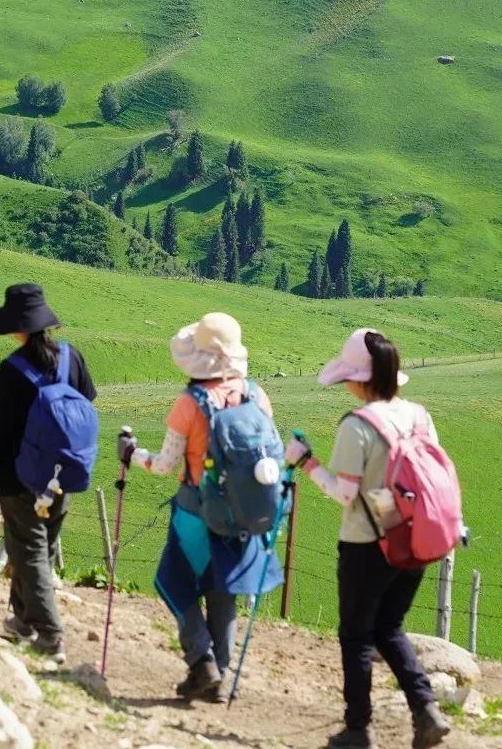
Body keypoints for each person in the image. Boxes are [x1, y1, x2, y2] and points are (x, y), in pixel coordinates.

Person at [286, 328, 451, 749]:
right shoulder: (420, 415)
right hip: (415, 538)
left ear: (360, 380)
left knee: (356, 635)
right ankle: (425, 707)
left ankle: (358, 729)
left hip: (367, 542)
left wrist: (305, 462)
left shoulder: (357, 425)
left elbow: (344, 492)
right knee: (389, 628)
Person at [119, 312, 283, 703]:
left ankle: (201, 660)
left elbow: (164, 465)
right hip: (244, 511)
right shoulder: (257, 395)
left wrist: (131, 453)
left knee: (172, 581)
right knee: (223, 591)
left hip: (196, 511)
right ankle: (219, 680)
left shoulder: (190, 405)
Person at [0, 283, 97, 664]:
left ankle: (50, 634)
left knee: (30, 553)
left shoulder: (12, 370)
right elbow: (86, 402)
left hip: (18, 478)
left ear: (16, 327)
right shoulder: (70, 358)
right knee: (39, 548)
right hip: (62, 474)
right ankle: (23, 620)